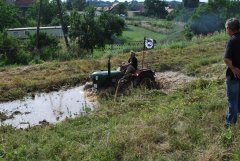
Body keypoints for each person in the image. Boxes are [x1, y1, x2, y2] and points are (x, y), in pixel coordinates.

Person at [224, 18, 240, 127]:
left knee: (232, 100)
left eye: (226, 28)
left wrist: (233, 68)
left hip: (234, 76)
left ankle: (230, 124)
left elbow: (226, 59)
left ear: (229, 29)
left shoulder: (232, 40)